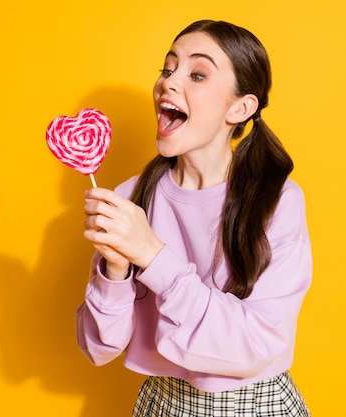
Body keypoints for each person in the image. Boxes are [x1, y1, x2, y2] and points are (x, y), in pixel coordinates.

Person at [77, 19, 312, 416]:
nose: (168, 82)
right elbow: (99, 348)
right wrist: (114, 271)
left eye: (197, 73)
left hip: (258, 404)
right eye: (167, 69)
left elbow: (256, 345)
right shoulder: (130, 200)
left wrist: (153, 257)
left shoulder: (277, 201)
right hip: (162, 403)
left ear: (240, 107)